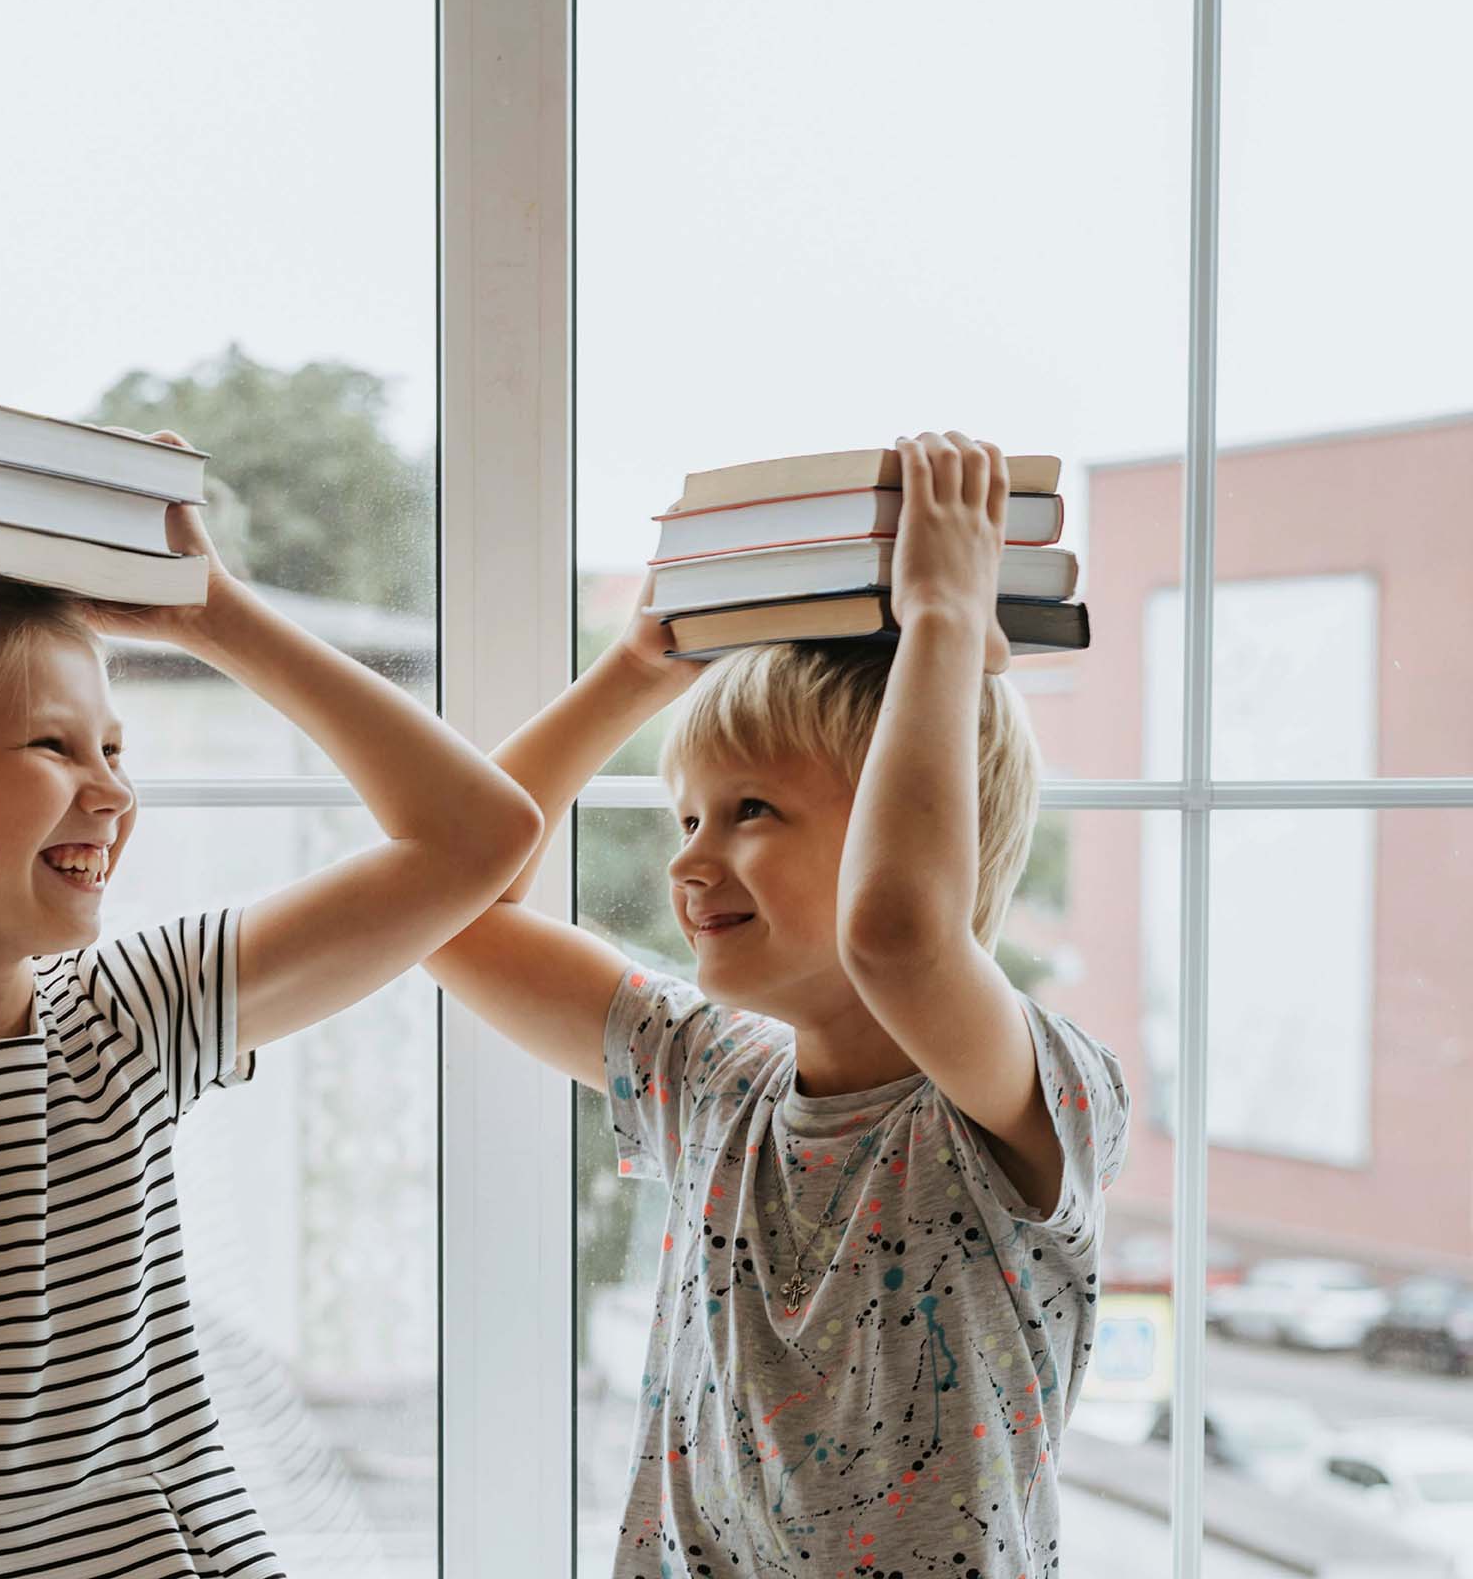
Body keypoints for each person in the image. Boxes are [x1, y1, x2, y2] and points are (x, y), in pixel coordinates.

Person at [0, 360, 541, 1578]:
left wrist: (213, 615)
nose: (112, 789)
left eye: (114, 746)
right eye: (51, 743)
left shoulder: (133, 1013)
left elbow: (478, 838)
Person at [426, 430, 1130, 1579]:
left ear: (916, 833)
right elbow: (442, 906)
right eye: (686, 817)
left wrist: (946, 622)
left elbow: (897, 937)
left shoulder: (1023, 1090)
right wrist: (631, 675)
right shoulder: (708, 1073)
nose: (689, 861)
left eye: (750, 808)